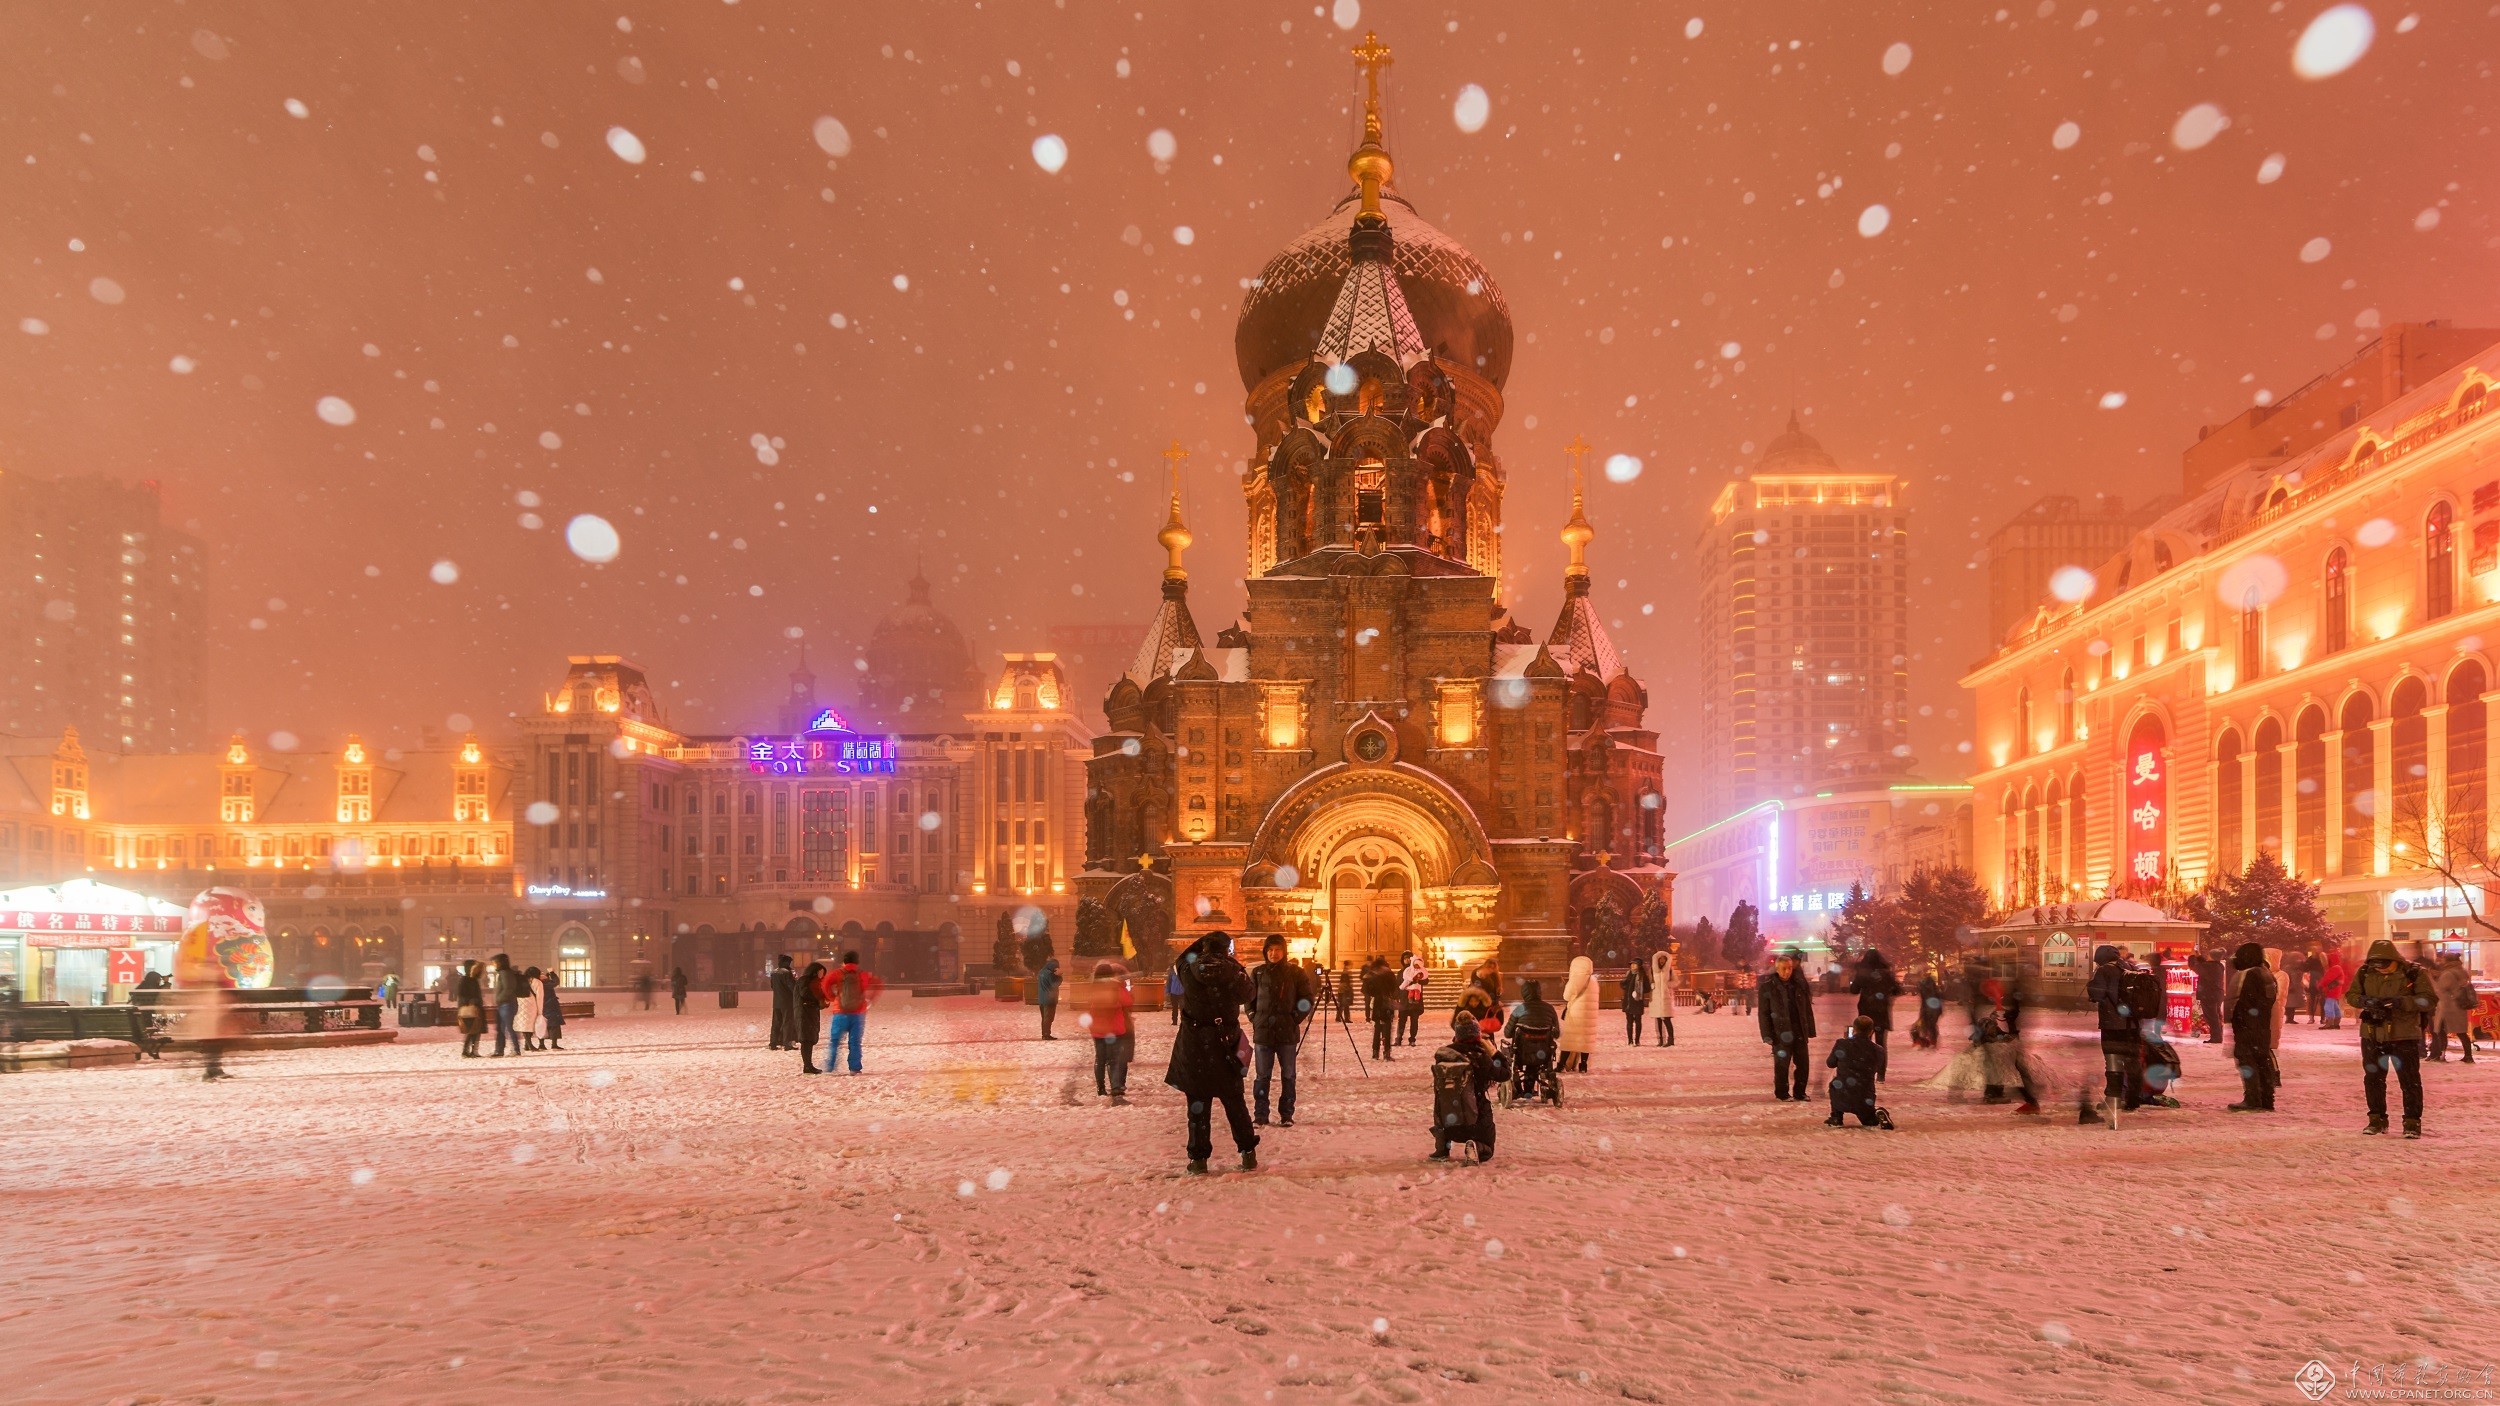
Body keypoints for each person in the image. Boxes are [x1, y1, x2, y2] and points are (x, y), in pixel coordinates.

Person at [1166, 931, 1258, 1173]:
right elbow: (1250, 994)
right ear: (1226, 949)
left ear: (1204, 947)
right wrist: (1235, 964)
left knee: (1198, 1104)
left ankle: (1198, 1159)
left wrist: (1202, 943)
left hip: (1196, 1044)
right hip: (1225, 1043)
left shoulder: (1189, 969)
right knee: (1235, 1102)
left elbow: (1180, 958)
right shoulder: (1234, 973)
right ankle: (1248, 1152)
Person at [2346, 938, 2438, 1137]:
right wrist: (2365, 1001)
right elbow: (2351, 995)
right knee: (2373, 1079)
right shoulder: (2364, 972)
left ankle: (2412, 1123)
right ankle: (2376, 1119)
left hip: (2403, 1035)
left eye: (2385, 965)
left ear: (2394, 959)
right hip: (2372, 1033)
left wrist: (2400, 1002)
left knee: (2410, 1080)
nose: (2381, 969)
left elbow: (2429, 1000)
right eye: (2377, 966)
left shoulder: (2413, 972)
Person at [1247, 935, 1312, 1127]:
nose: (1273, 954)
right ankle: (1260, 1114)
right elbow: (1249, 997)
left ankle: (1286, 1114)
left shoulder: (1295, 973)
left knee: (1288, 1075)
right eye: (1270, 950)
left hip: (1287, 1033)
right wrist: (1253, 1016)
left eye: (1277, 950)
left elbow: (1306, 998)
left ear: (1284, 951)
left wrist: (1294, 1018)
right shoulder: (1258, 973)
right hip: (1263, 1032)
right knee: (1262, 1076)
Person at [1429, 1013, 1501, 1163]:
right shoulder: (1480, 1056)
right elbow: (1503, 1074)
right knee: (1488, 1147)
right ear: (1477, 1035)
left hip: (1448, 1120)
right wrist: (1493, 1052)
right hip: (1475, 1122)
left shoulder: (1444, 1055)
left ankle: (1442, 1146)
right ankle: (1476, 1146)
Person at [2086, 945, 2145, 1122]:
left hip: (2112, 1024)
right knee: (2133, 1061)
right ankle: (2134, 1098)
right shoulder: (2131, 968)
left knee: (2113, 1062)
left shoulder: (2104, 971)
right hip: (2133, 1024)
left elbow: (2096, 994)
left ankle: (2114, 1098)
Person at [1757, 948, 1817, 1101]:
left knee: (1803, 1064)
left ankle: (1800, 1092)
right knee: (1782, 1065)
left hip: (1799, 1031)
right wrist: (1767, 1035)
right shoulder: (1768, 987)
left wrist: (1810, 1029)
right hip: (1780, 1032)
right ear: (1777, 969)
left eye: (1790, 968)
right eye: (1784, 968)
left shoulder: (1798, 985)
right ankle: (1782, 1092)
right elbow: (1763, 1014)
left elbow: (1807, 1009)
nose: (1787, 971)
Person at [2225, 943, 2278, 1112]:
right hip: (2262, 1026)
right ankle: (2266, 1099)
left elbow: (2242, 1003)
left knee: (2247, 1061)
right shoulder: (2266, 973)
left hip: (2248, 1026)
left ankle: (2253, 1098)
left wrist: (2237, 1022)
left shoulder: (2250, 975)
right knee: (2262, 1061)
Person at [1825, 1016, 1894, 1129]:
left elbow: (1830, 1063)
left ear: (1854, 1029)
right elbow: (1876, 1069)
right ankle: (1876, 1115)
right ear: (1871, 1031)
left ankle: (1836, 1116)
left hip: (1843, 1095)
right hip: (1865, 1096)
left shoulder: (1842, 1044)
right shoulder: (1878, 1050)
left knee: (1835, 1083)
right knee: (1869, 1121)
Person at [820, 949, 881, 1075]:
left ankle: (830, 1066)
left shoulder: (837, 973)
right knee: (855, 1042)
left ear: (844, 961)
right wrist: (870, 999)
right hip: (858, 1012)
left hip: (840, 1012)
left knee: (835, 1041)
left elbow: (825, 984)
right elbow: (878, 983)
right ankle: (855, 1068)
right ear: (857, 962)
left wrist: (832, 997)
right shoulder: (863, 974)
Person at [1847, 948, 1902, 1081]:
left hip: (1866, 1013)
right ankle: (1881, 1075)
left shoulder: (1863, 973)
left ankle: (1867, 1071)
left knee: (1865, 1043)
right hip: (1881, 1013)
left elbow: (1854, 990)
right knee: (1881, 1044)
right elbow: (1898, 990)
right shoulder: (1887, 974)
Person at [1088, 960, 1135, 1103]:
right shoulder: (1116, 986)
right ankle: (1115, 1088)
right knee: (1114, 1060)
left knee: (1100, 1059)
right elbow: (1128, 1001)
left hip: (1097, 1029)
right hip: (1114, 1029)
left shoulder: (1092, 987)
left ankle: (1100, 1087)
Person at [2430, 953, 2478, 1063]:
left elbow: (2439, 989)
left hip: (2447, 1006)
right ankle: (2468, 1055)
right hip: (2459, 1005)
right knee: (2461, 1032)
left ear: (2447, 961)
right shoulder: (2461, 971)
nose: (2441, 961)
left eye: (2443, 959)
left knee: (2440, 1031)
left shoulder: (2447, 973)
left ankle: (2441, 1054)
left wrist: (2434, 978)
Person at [1558, 954, 1598, 1073]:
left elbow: (1566, 995)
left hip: (1577, 1014)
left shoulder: (1578, 978)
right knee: (1585, 1041)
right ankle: (1583, 1065)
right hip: (1589, 1016)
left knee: (1570, 1041)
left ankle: (1561, 1065)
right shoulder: (1593, 980)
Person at [795, 959, 828, 1074]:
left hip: (809, 1013)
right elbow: (805, 994)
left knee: (808, 1039)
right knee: (806, 1040)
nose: (821, 975)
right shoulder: (805, 980)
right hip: (805, 1014)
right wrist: (818, 999)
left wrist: (820, 1003)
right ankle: (808, 1066)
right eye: (821, 972)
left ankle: (808, 1065)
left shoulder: (810, 981)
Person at [488, 953, 524, 1057]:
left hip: (507, 1004)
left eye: (495, 962)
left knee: (508, 1027)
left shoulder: (505, 973)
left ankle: (515, 1049)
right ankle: (499, 1050)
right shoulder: (504, 973)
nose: (493, 964)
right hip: (504, 1004)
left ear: (500, 963)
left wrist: (499, 999)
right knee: (501, 1028)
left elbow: (508, 988)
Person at [1364, 956, 1399, 1061]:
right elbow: (1394, 988)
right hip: (1387, 1003)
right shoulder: (1388, 973)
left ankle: (1375, 1053)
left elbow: (1367, 990)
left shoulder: (1372, 974)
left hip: (1377, 1004)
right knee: (1387, 1029)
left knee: (1377, 1029)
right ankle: (1386, 1053)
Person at [2190, 948, 2227, 1044]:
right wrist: (2199, 956)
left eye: (2209, 955)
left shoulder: (2208, 966)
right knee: (2216, 1016)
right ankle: (2218, 1036)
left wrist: (2192, 957)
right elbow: (2205, 964)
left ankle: (2216, 1038)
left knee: (2211, 1017)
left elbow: (2194, 966)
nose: (2207, 956)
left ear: (2212, 956)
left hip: (2208, 995)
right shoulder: (2219, 965)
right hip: (2217, 994)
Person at [454, 960, 485, 1059]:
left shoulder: (473, 979)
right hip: (469, 1009)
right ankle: (466, 1051)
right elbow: (462, 995)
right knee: (472, 1030)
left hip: (476, 1008)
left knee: (476, 1030)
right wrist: (472, 1001)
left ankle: (473, 1051)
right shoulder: (465, 980)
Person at [1910, 964, 1943, 1050]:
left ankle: (1928, 1042)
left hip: (1931, 1010)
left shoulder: (1927, 983)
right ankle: (1928, 1041)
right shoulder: (1928, 983)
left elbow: (1930, 996)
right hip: (1930, 1009)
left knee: (1928, 1026)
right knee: (1926, 1026)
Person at [768, 954, 798, 1050]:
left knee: (776, 1023)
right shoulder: (787, 973)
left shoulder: (774, 972)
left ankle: (773, 1043)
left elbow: (772, 986)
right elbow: (792, 987)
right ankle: (787, 1043)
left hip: (776, 1002)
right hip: (787, 1002)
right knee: (787, 1022)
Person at [1397, 952, 1428, 1047]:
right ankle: (1399, 1038)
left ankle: (1412, 1039)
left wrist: (1418, 978)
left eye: (1408, 958)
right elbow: (1397, 985)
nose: (1406, 960)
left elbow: (1426, 980)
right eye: (1405, 958)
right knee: (1402, 1020)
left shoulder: (1420, 970)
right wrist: (1396, 996)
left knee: (1414, 1020)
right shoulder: (1401, 972)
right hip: (1404, 1000)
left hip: (1415, 1000)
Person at [1649, 948, 1678, 1046]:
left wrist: (1668, 985)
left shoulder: (1669, 969)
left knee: (1666, 1019)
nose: (1662, 960)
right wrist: (1651, 985)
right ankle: (1660, 1040)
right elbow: (1649, 981)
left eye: (1664, 959)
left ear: (1666, 960)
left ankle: (1670, 1040)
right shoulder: (1652, 970)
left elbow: (1676, 981)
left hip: (1666, 997)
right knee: (1658, 1020)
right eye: (1660, 959)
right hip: (1656, 998)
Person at [1620, 954, 1651, 1045]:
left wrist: (1639, 991)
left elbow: (1647, 988)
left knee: (1638, 1021)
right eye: (1631, 964)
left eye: (1634, 964)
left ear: (1639, 966)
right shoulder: (1628, 974)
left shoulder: (1642, 976)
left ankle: (1637, 1040)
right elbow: (1623, 985)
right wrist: (1623, 983)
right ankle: (1630, 1040)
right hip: (1628, 1001)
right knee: (1629, 1021)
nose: (1632, 966)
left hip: (1637, 1001)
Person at [517, 966, 545, 1052]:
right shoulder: (537, 982)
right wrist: (540, 1011)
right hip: (532, 1005)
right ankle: (530, 1045)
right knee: (531, 1025)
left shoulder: (521, 980)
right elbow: (540, 998)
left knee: (525, 1024)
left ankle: (527, 1044)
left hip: (520, 1003)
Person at [2319, 952, 2349, 1030]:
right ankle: (2336, 1023)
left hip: (2332, 990)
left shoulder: (2335, 968)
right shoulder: (2337, 967)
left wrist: (2320, 985)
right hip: (2334, 990)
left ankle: (2330, 1023)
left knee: (2328, 1006)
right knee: (2335, 1006)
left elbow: (2327, 979)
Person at [1036, 956, 1063, 1040]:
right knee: (1049, 1018)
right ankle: (1046, 1034)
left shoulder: (1041, 972)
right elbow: (1054, 984)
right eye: (1056, 967)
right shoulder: (1049, 974)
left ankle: (1045, 1033)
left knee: (1044, 1018)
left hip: (1042, 999)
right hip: (1049, 999)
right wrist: (1059, 976)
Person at [2299, 948, 2328, 1024]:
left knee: (2312, 1001)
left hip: (2313, 980)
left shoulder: (2310, 959)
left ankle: (2312, 1018)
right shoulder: (2323, 959)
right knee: (2322, 1001)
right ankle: (2322, 1019)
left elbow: (2305, 969)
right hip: (2320, 981)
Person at [540, 967, 566, 1051]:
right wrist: (552, 973)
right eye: (542, 974)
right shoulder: (544, 984)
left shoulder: (540, 983)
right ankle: (553, 1044)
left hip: (543, 1007)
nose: (544, 975)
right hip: (549, 1006)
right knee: (553, 1025)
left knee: (542, 1025)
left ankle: (542, 1044)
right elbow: (556, 982)